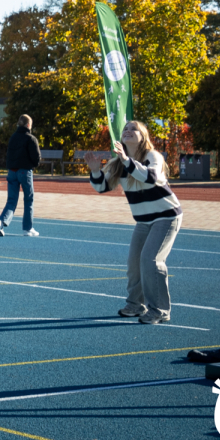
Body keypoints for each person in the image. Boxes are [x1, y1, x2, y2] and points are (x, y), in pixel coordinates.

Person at [84, 121, 182, 325]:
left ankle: (160, 310)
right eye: (125, 129)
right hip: (144, 221)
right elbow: (102, 186)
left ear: (143, 135)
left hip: (166, 216)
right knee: (134, 264)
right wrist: (95, 170)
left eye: (133, 129)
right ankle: (136, 305)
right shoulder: (119, 162)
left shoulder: (151, 156)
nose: (128, 131)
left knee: (151, 260)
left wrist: (127, 159)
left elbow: (151, 177)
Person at [0, 114, 42, 237]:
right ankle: (27, 228)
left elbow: (8, 155)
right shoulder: (31, 139)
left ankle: (1, 221)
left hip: (12, 171)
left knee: (11, 200)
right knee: (28, 200)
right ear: (28, 125)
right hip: (24, 171)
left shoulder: (13, 137)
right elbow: (36, 159)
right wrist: (30, 164)